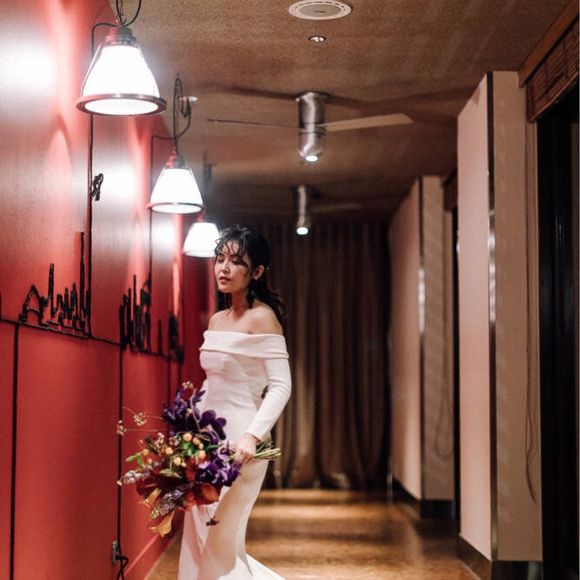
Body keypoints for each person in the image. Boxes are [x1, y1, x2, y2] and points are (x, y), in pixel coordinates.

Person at [178, 226, 291, 579]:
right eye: (220, 259)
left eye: (236, 261)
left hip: (242, 446)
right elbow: (212, 382)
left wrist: (252, 437)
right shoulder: (217, 320)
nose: (223, 268)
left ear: (256, 272)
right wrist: (188, 427)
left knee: (220, 542)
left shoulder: (263, 318)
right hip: (204, 443)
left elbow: (281, 386)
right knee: (200, 540)